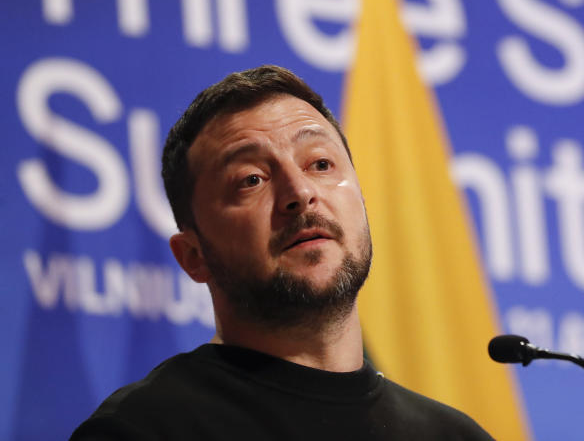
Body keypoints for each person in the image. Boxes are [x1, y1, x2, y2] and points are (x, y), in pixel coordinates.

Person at [71, 65, 494, 440]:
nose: (301, 192)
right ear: (193, 256)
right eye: (252, 179)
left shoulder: (454, 436)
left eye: (321, 164)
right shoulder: (141, 430)